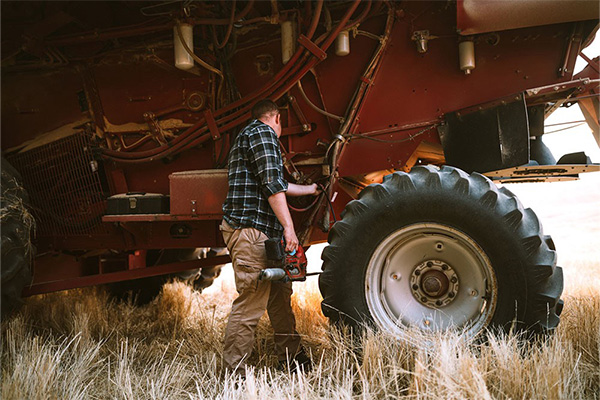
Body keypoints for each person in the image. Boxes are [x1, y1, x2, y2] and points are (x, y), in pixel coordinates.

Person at [221, 99, 319, 375]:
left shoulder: (251, 136)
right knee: (251, 302)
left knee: (279, 298)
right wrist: (289, 229)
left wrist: (309, 188)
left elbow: (279, 183)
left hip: (263, 234)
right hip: (251, 231)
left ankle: (291, 359)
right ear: (276, 118)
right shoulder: (262, 134)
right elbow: (273, 187)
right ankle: (234, 375)